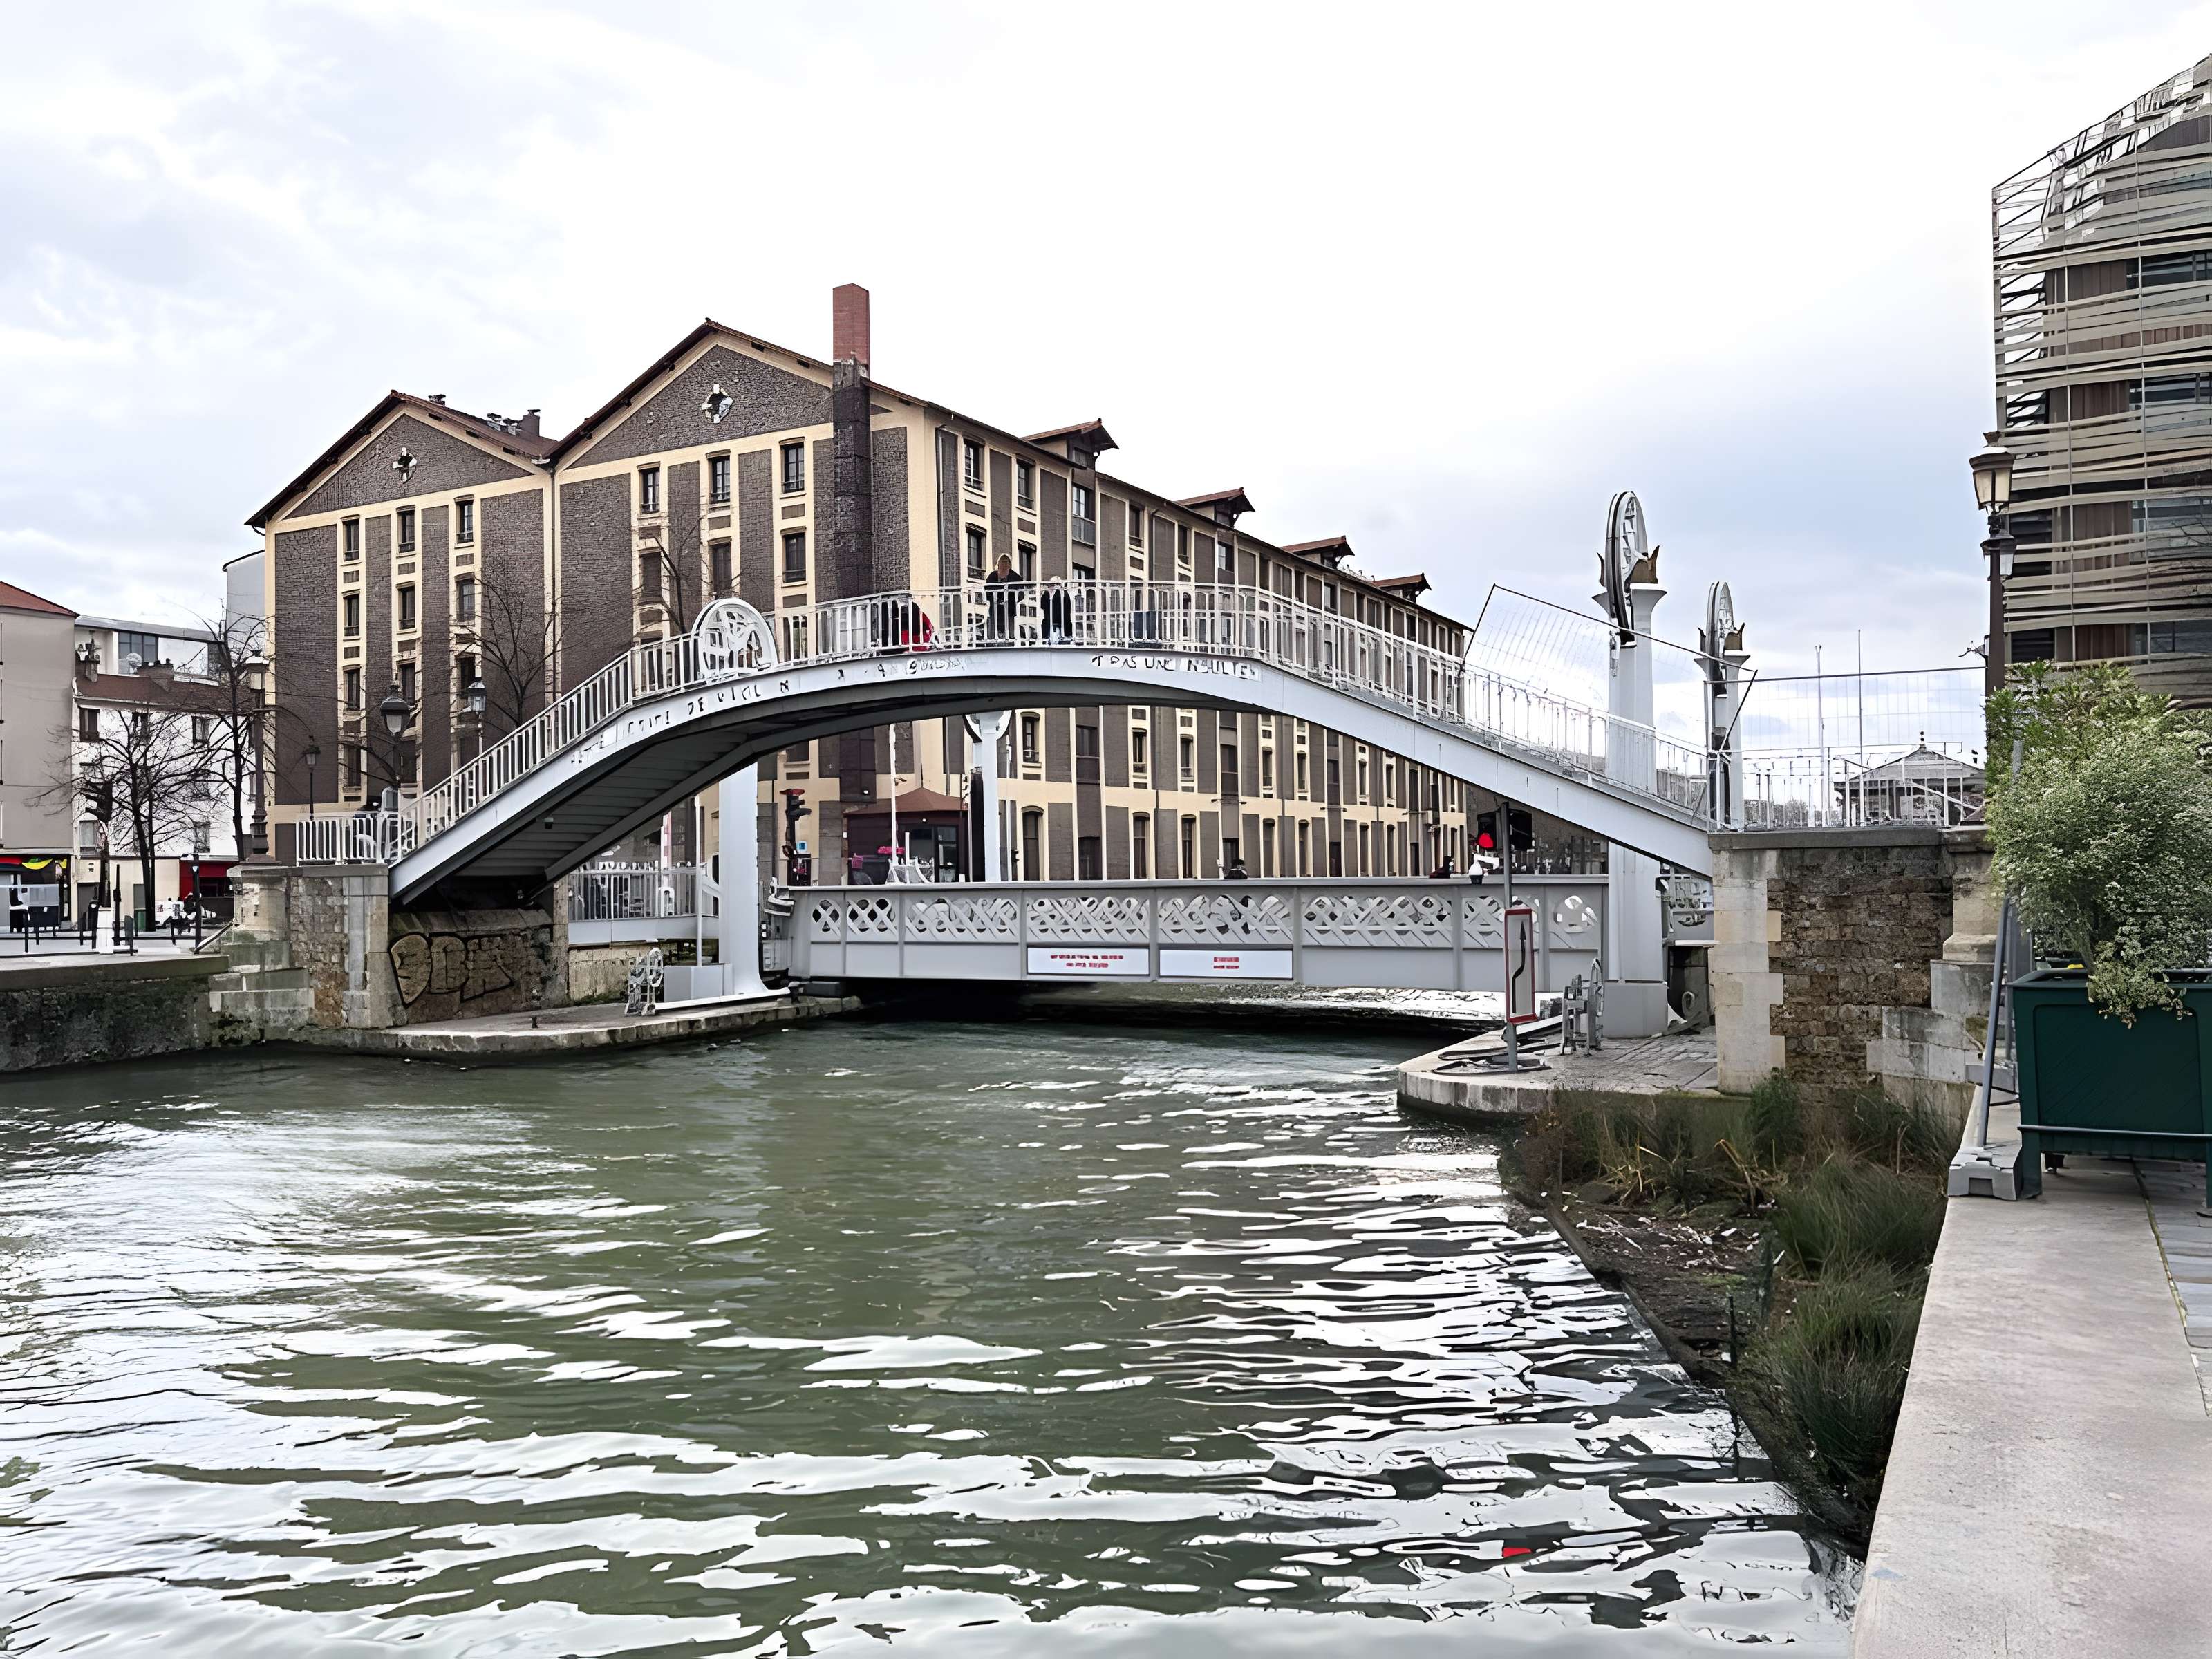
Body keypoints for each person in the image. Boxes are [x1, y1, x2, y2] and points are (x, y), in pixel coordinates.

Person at [984, 552, 1021, 642]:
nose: (1005, 565)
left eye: (1007, 562)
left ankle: (1011, 641)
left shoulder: (1016, 578)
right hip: (995, 607)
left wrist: (1010, 601)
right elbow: (987, 590)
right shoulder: (993, 576)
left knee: (1010, 625)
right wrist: (996, 600)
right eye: (1003, 562)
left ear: (1010, 565)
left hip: (1010, 608)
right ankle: (993, 640)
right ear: (998, 564)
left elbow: (1020, 592)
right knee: (994, 623)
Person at [1041, 576, 1074, 644]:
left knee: (1044, 621)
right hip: (1065, 621)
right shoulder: (1066, 593)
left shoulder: (1047, 594)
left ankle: (1045, 639)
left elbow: (1042, 606)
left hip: (1051, 620)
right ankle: (1066, 637)